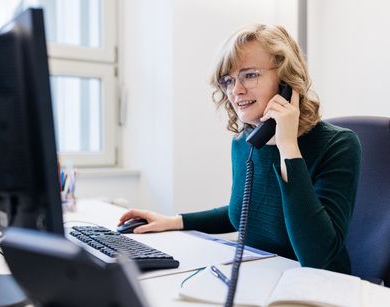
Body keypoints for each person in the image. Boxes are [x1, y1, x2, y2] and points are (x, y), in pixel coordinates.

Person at [118, 24, 361, 274]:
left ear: (286, 80)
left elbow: (317, 257)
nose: (236, 90)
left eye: (250, 75)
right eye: (228, 80)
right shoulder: (245, 143)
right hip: (260, 280)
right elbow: (244, 210)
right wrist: (175, 221)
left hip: (323, 289)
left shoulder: (338, 145)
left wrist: (287, 146)